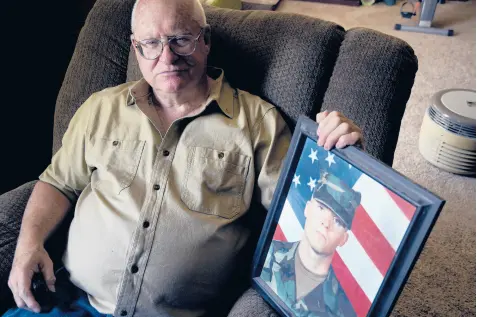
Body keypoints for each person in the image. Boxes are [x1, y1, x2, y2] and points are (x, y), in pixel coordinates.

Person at [4, 0, 364, 316]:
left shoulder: (257, 123)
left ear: (205, 41)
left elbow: (305, 210)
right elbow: (58, 183)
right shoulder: (101, 108)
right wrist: (28, 245)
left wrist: (342, 152)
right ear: (135, 48)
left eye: (180, 39)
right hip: (72, 302)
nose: (167, 57)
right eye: (151, 43)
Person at [261, 171, 361, 317]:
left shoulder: (342, 310)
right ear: (307, 208)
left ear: (344, 239)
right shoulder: (267, 254)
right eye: (321, 208)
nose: (326, 223)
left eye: (338, 221)